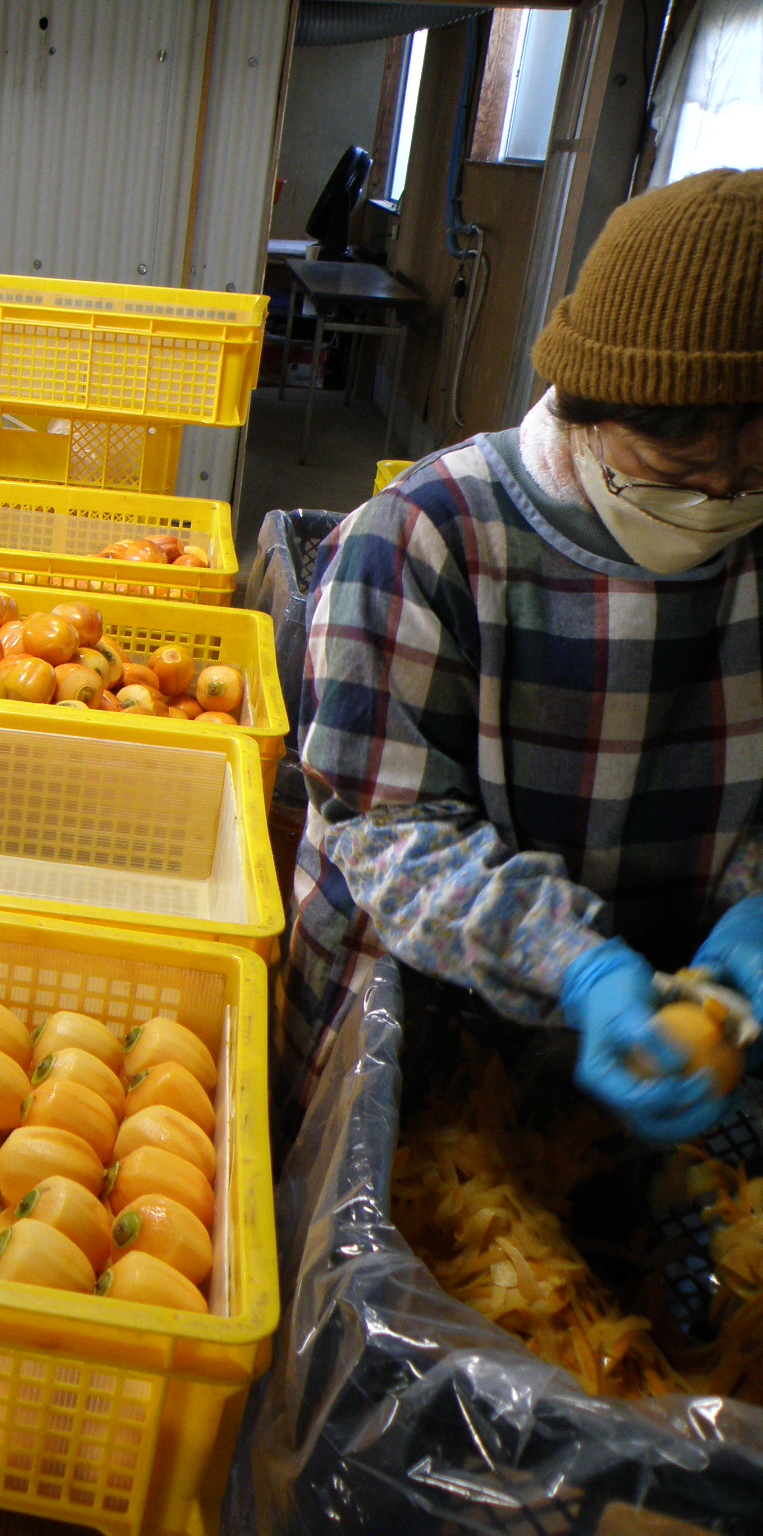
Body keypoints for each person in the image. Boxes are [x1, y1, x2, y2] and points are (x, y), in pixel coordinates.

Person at [286, 168, 763, 1142]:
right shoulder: (423, 541)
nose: (717, 495)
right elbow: (385, 829)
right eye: (676, 468)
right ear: (584, 407)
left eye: (752, 471)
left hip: (693, 1031)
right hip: (435, 1012)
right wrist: (571, 960)